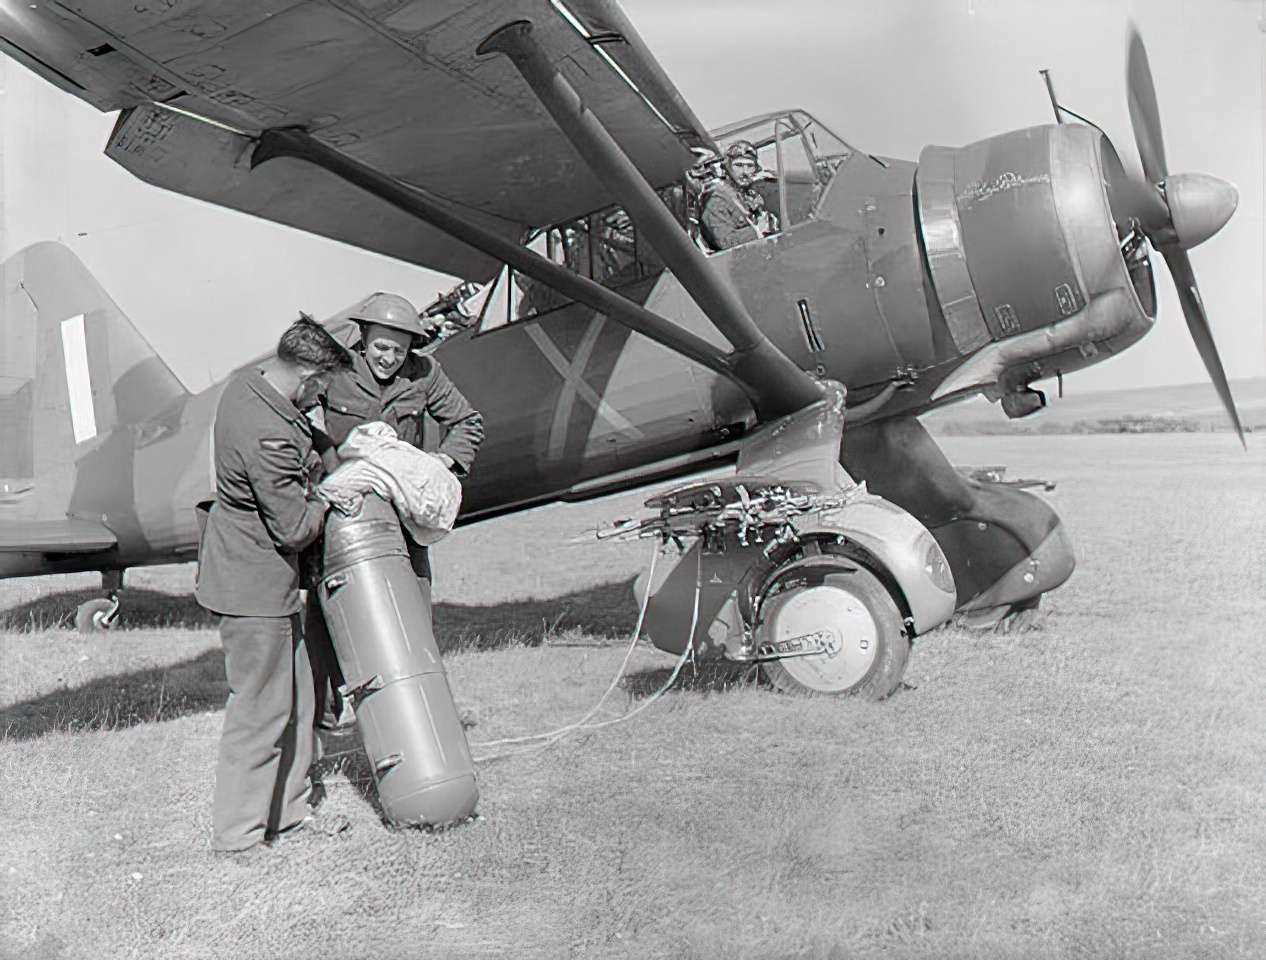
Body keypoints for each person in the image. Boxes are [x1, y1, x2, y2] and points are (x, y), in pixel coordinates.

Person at [194, 316, 352, 854]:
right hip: (252, 585)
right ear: (309, 378)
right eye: (322, 387)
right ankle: (237, 839)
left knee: (300, 701)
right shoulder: (269, 436)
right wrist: (328, 495)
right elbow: (295, 527)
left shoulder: (247, 385)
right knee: (260, 710)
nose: (321, 398)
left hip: (264, 581)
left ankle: (288, 813)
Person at [308, 292, 483, 726]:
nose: (389, 359)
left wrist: (442, 462)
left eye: (399, 351)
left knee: (414, 609)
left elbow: (467, 421)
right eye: (381, 348)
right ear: (363, 340)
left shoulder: (425, 373)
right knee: (330, 612)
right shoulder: (334, 371)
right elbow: (302, 420)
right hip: (345, 517)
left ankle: (421, 713)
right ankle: (324, 712)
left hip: (402, 520)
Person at [698, 140, 780, 251]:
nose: (745, 172)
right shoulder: (716, 198)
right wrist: (757, 230)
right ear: (727, 167)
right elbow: (725, 241)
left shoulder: (748, 194)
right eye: (739, 165)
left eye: (750, 166)